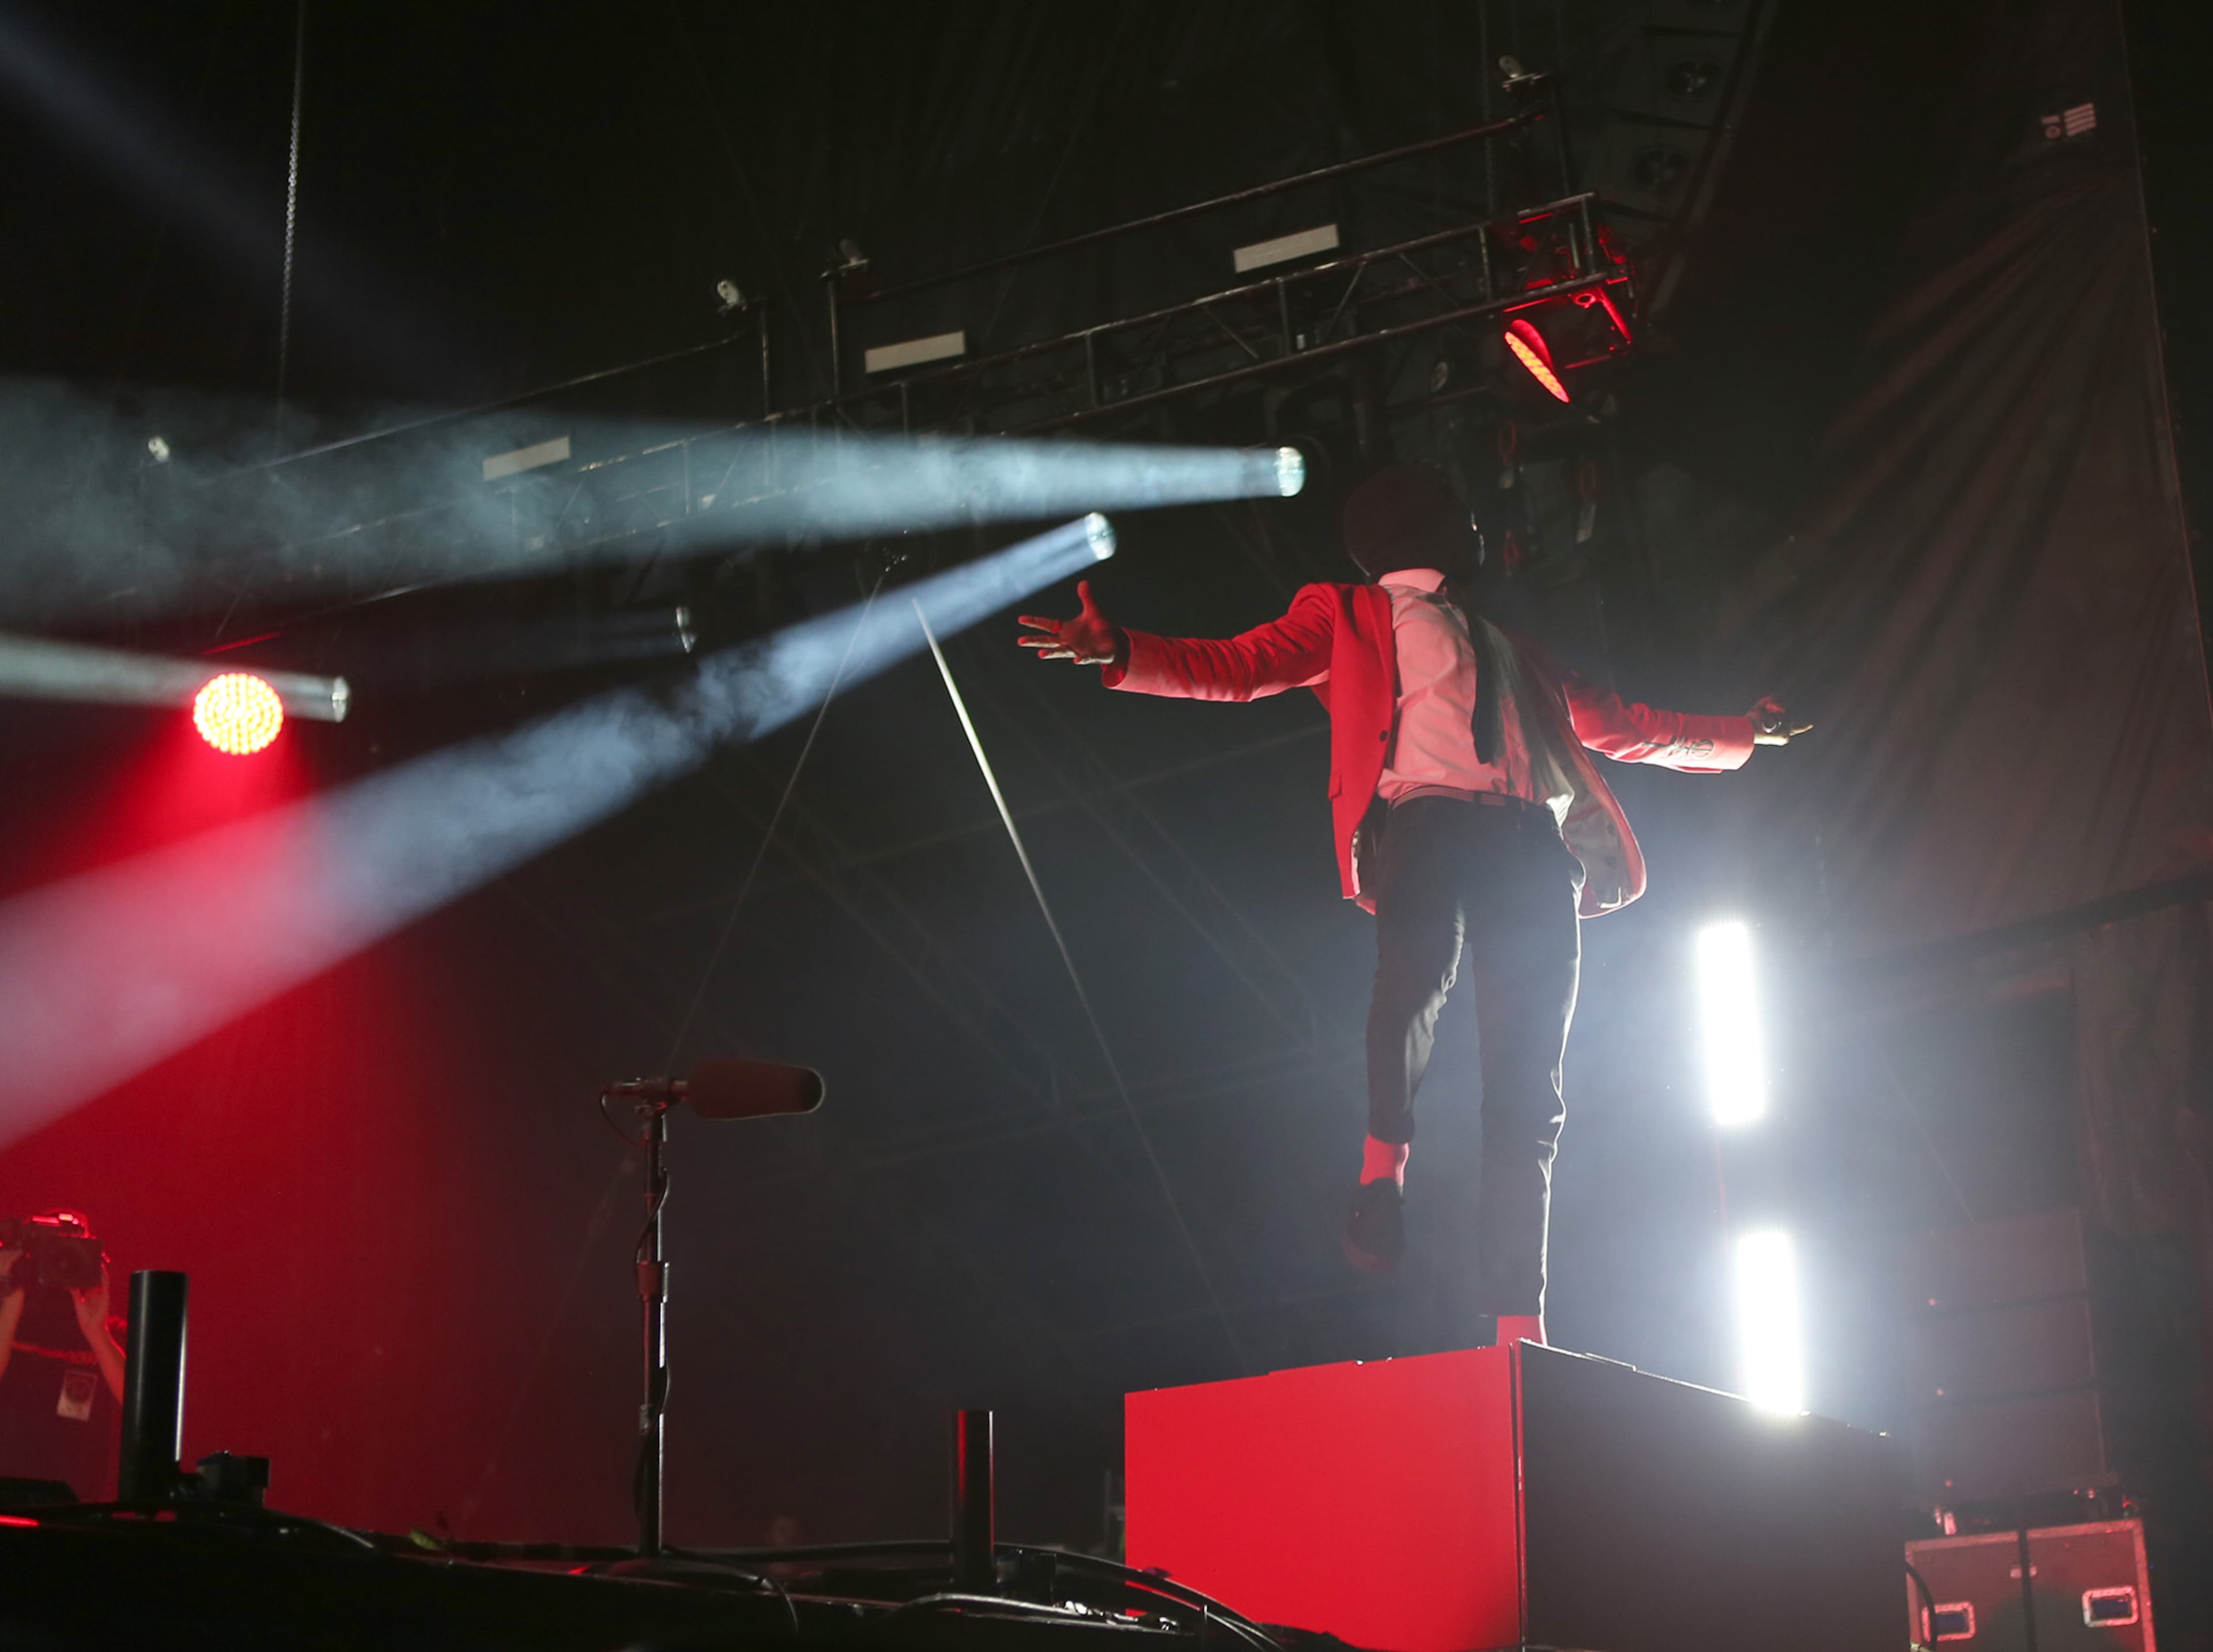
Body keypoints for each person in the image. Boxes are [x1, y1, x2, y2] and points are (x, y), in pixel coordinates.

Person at [1018, 464, 1806, 1347]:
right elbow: (1239, 667)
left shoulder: (1517, 640)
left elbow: (1620, 723)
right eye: (1459, 514)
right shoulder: (1348, 612)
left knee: (1529, 1088)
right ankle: (1382, 1166)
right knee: (1414, 982)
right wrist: (1122, 650)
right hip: (1425, 819)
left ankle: (1520, 1321)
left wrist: (1740, 734)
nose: (1474, 531)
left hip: (1532, 847)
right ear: (1416, 529)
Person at [0, 1211, 125, 1499]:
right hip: (6, 1505)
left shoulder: (107, 1334)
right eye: (51, 1251)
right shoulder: (9, 1319)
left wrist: (97, 1333)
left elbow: (147, 1408)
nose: (62, 1261)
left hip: (77, 1510)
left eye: (72, 1252)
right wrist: (9, 1300)